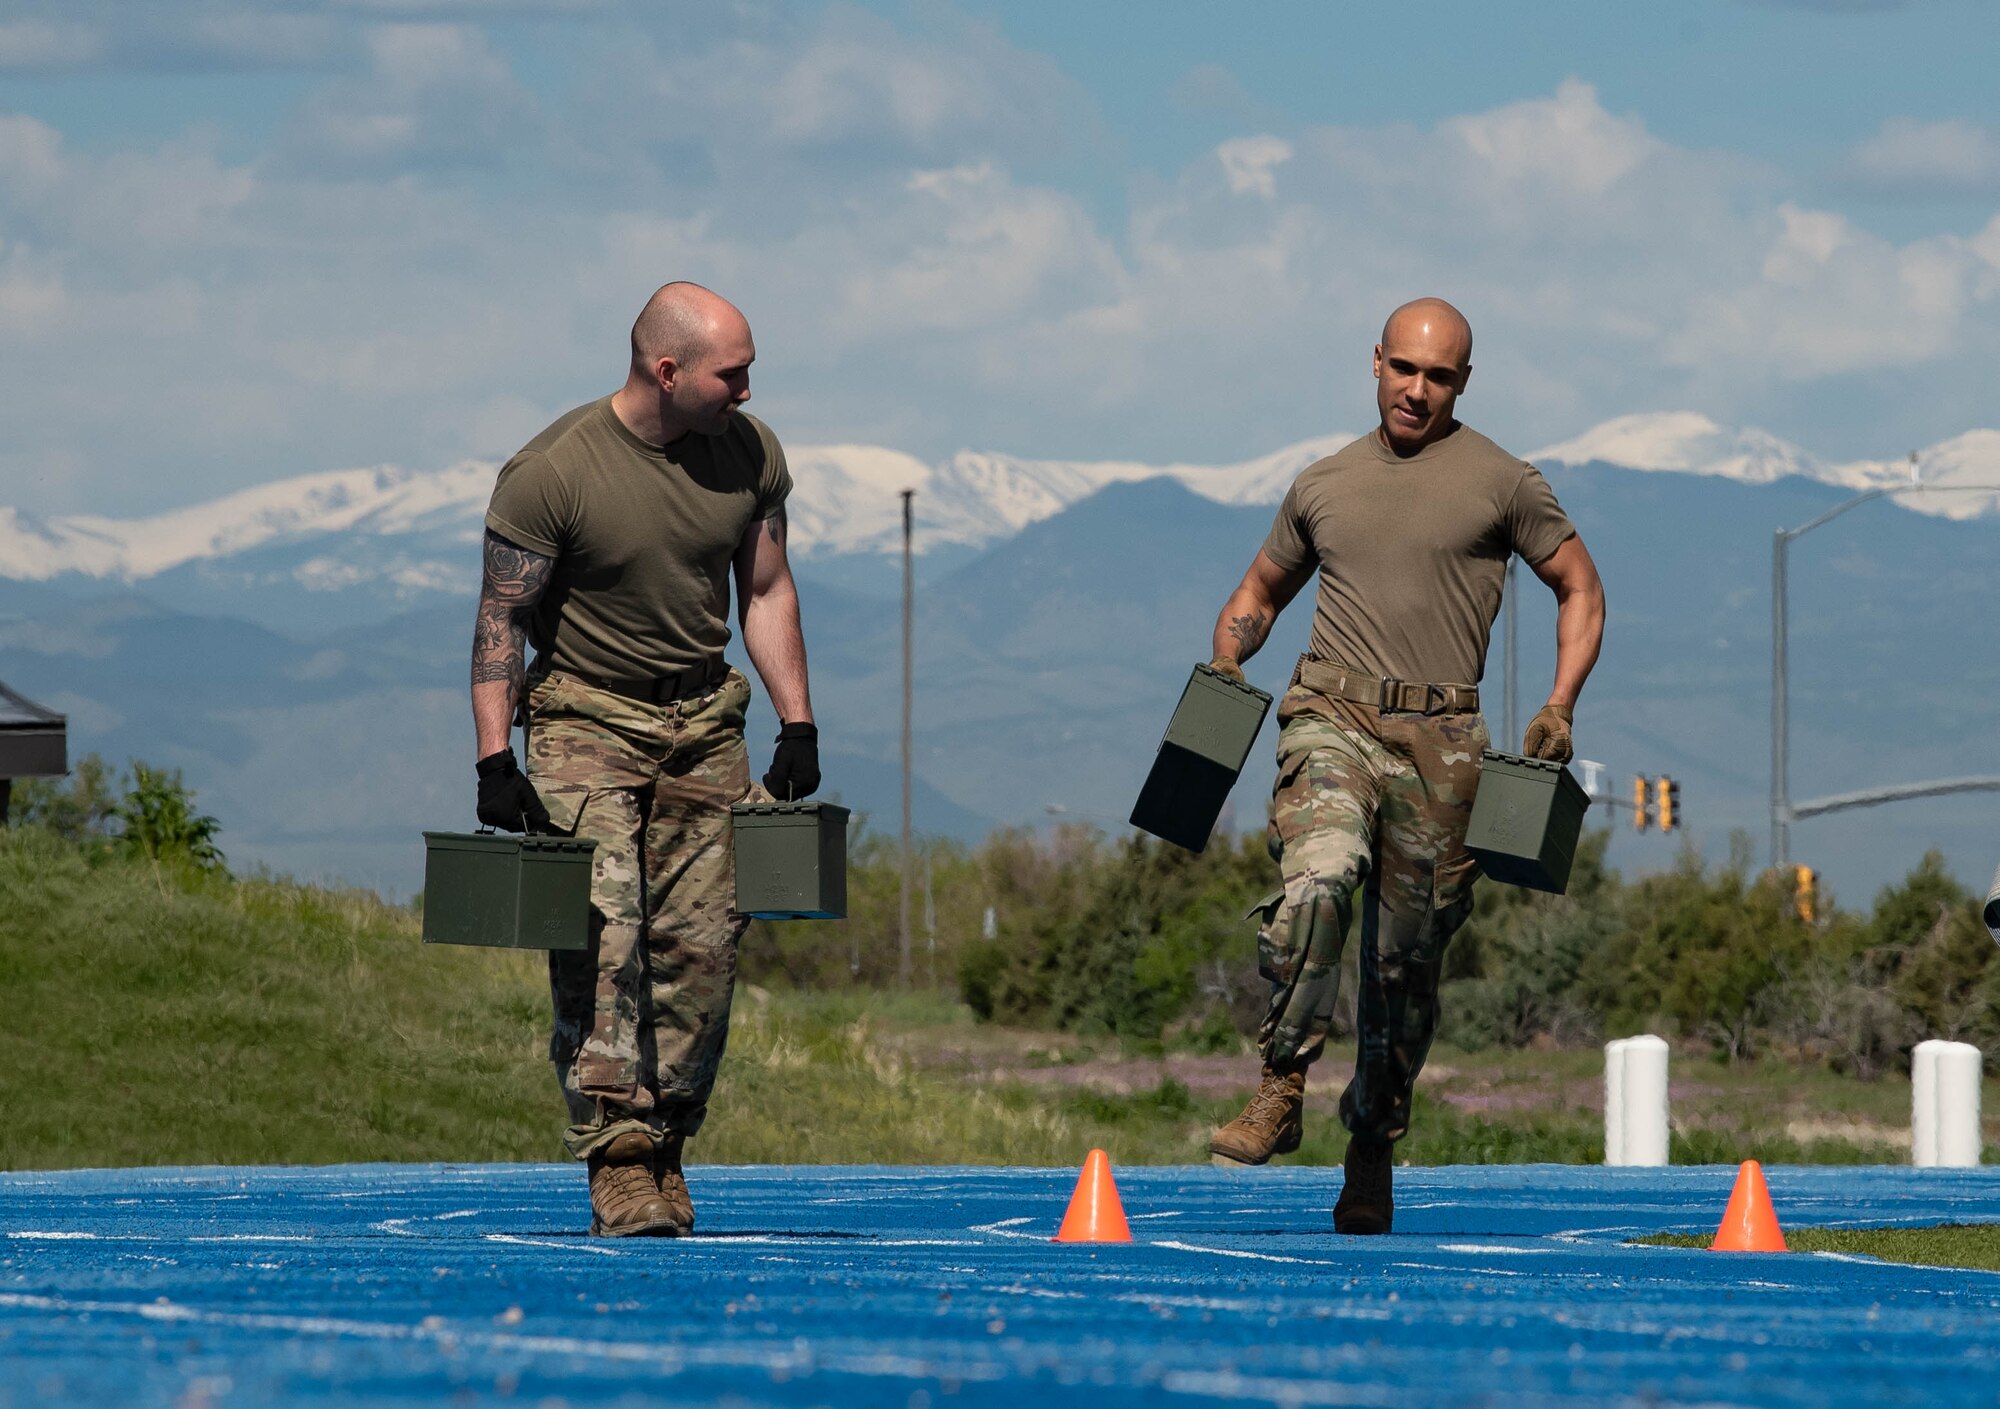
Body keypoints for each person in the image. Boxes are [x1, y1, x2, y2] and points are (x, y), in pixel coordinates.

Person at [1204, 298, 1604, 1234]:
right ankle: (1280, 1084)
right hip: (1330, 715)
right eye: (1404, 370)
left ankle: (1372, 1141)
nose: (1417, 390)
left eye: (1439, 376)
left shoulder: (1506, 483)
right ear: (1375, 363)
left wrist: (1559, 704)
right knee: (1320, 874)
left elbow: (1580, 584)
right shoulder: (1323, 483)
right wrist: (1229, 660)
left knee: (1403, 968)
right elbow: (1260, 591)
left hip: (1444, 744)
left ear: (1464, 382)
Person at [469, 282, 820, 1237]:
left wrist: (798, 724)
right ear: (667, 372)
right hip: (585, 717)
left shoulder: (751, 455)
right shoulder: (551, 472)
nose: (747, 392)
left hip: (704, 722)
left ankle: (667, 1141)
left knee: (702, 949)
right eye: (731, 373)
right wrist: (496, 758)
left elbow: (768, 587)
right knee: (604, 937)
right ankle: (617, 1157)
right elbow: (502, 617)